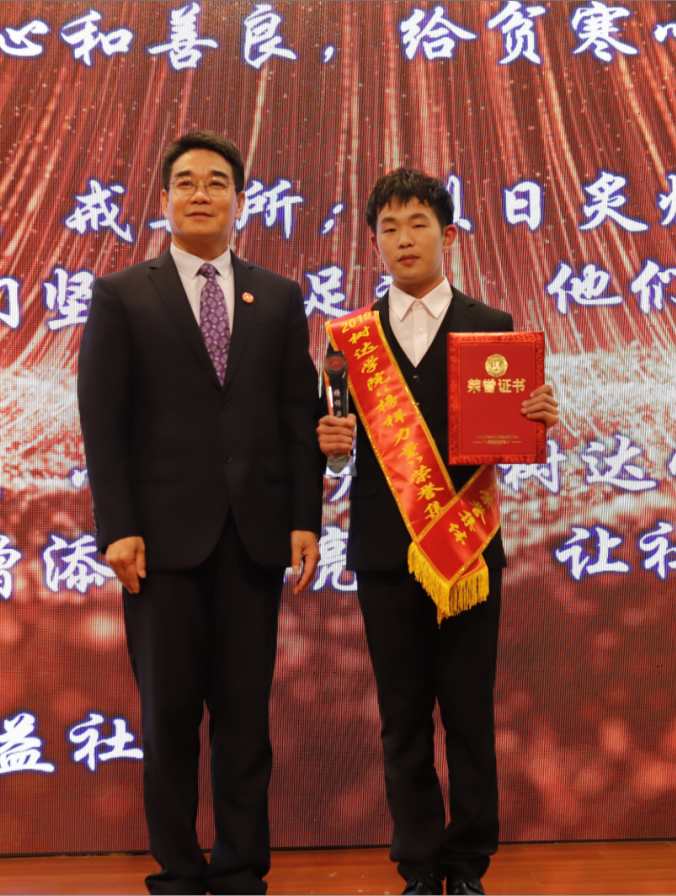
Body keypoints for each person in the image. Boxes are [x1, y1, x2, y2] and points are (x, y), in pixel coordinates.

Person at [78, 130, 322, 895]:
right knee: (170, 717)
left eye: (216, 182)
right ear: (163, 199)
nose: (200, 194)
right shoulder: (122, 295)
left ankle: (241, 868)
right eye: (185, 182)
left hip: (253, 536)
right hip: (159, 543)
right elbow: (103, 422)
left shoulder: (277, 297)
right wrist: (117, 527)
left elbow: (297, 416)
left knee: (245, 717)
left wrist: (304, 518)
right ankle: (180, 870)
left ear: (240, 201)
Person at [316, 169, 559, 896]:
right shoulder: (349, 339)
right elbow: (337, 445)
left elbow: (506, 437)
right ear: (374, 243)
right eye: (388, 228)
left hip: (467, 547)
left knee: (468, 714)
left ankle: (467, 862)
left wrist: (536, 419)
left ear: (446, 235)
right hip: (385, 550)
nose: (403, 239)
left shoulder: (492, 325)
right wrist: (329, 447)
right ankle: (419, 865)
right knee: (402, 718)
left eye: (417, 224)